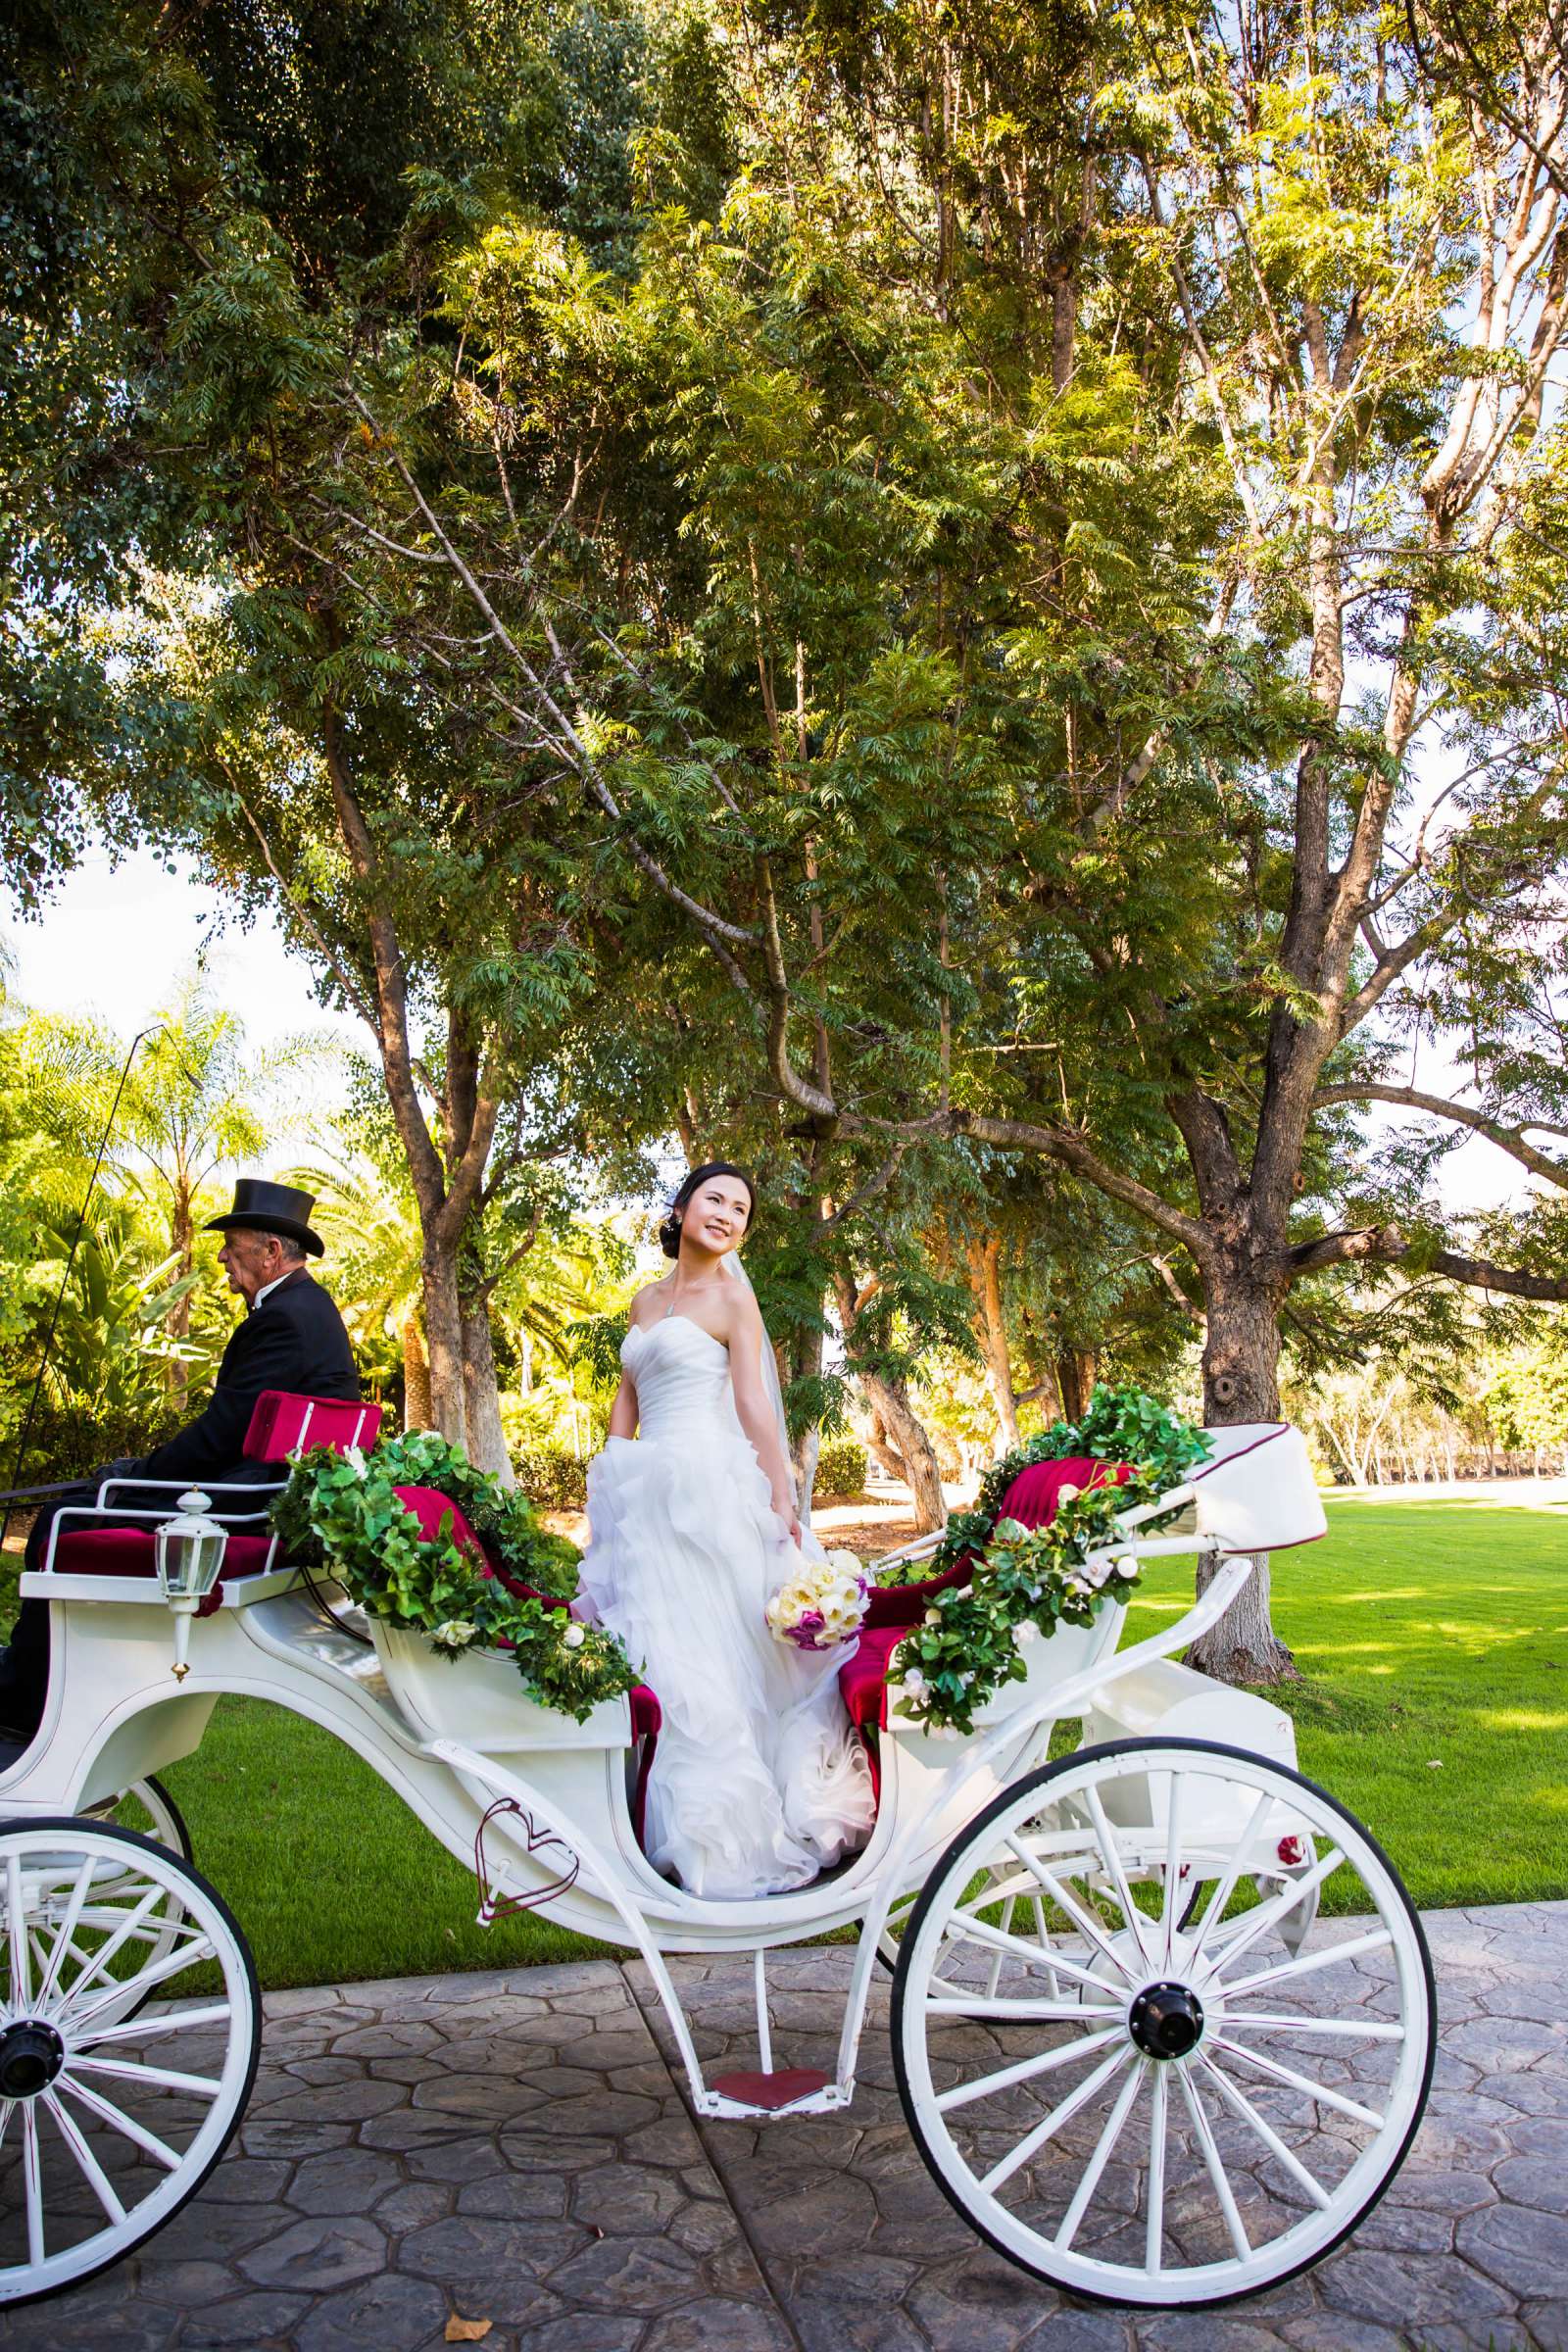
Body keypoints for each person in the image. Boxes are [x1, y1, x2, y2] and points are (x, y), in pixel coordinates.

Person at [575, 1161, 875, 1899]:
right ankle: (666, 1823)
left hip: (708, 1486)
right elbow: (628, 1395)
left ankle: (727, 1833)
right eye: (715, 1198)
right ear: (680, 1208)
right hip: (645, 1490)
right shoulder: (646, 1299)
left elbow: (752, 1403)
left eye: (741, 1208)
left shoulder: (733, 1298)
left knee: (708, 1659)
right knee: (660, 1650)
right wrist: (612, 1473)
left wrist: (780, 1494)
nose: (727, 1214)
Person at [0, 1178, 360, 1742]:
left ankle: (24, 1699)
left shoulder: (282, 1319)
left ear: (270, 1253)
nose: (220, 1256)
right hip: (261, 1494)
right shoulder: (310, 1308)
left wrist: (136, 1473)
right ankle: (36, 1680)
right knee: (78, 1503)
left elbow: (220, 1435)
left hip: (246, 1503)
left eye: (232, 1244)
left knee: (58, 1520)